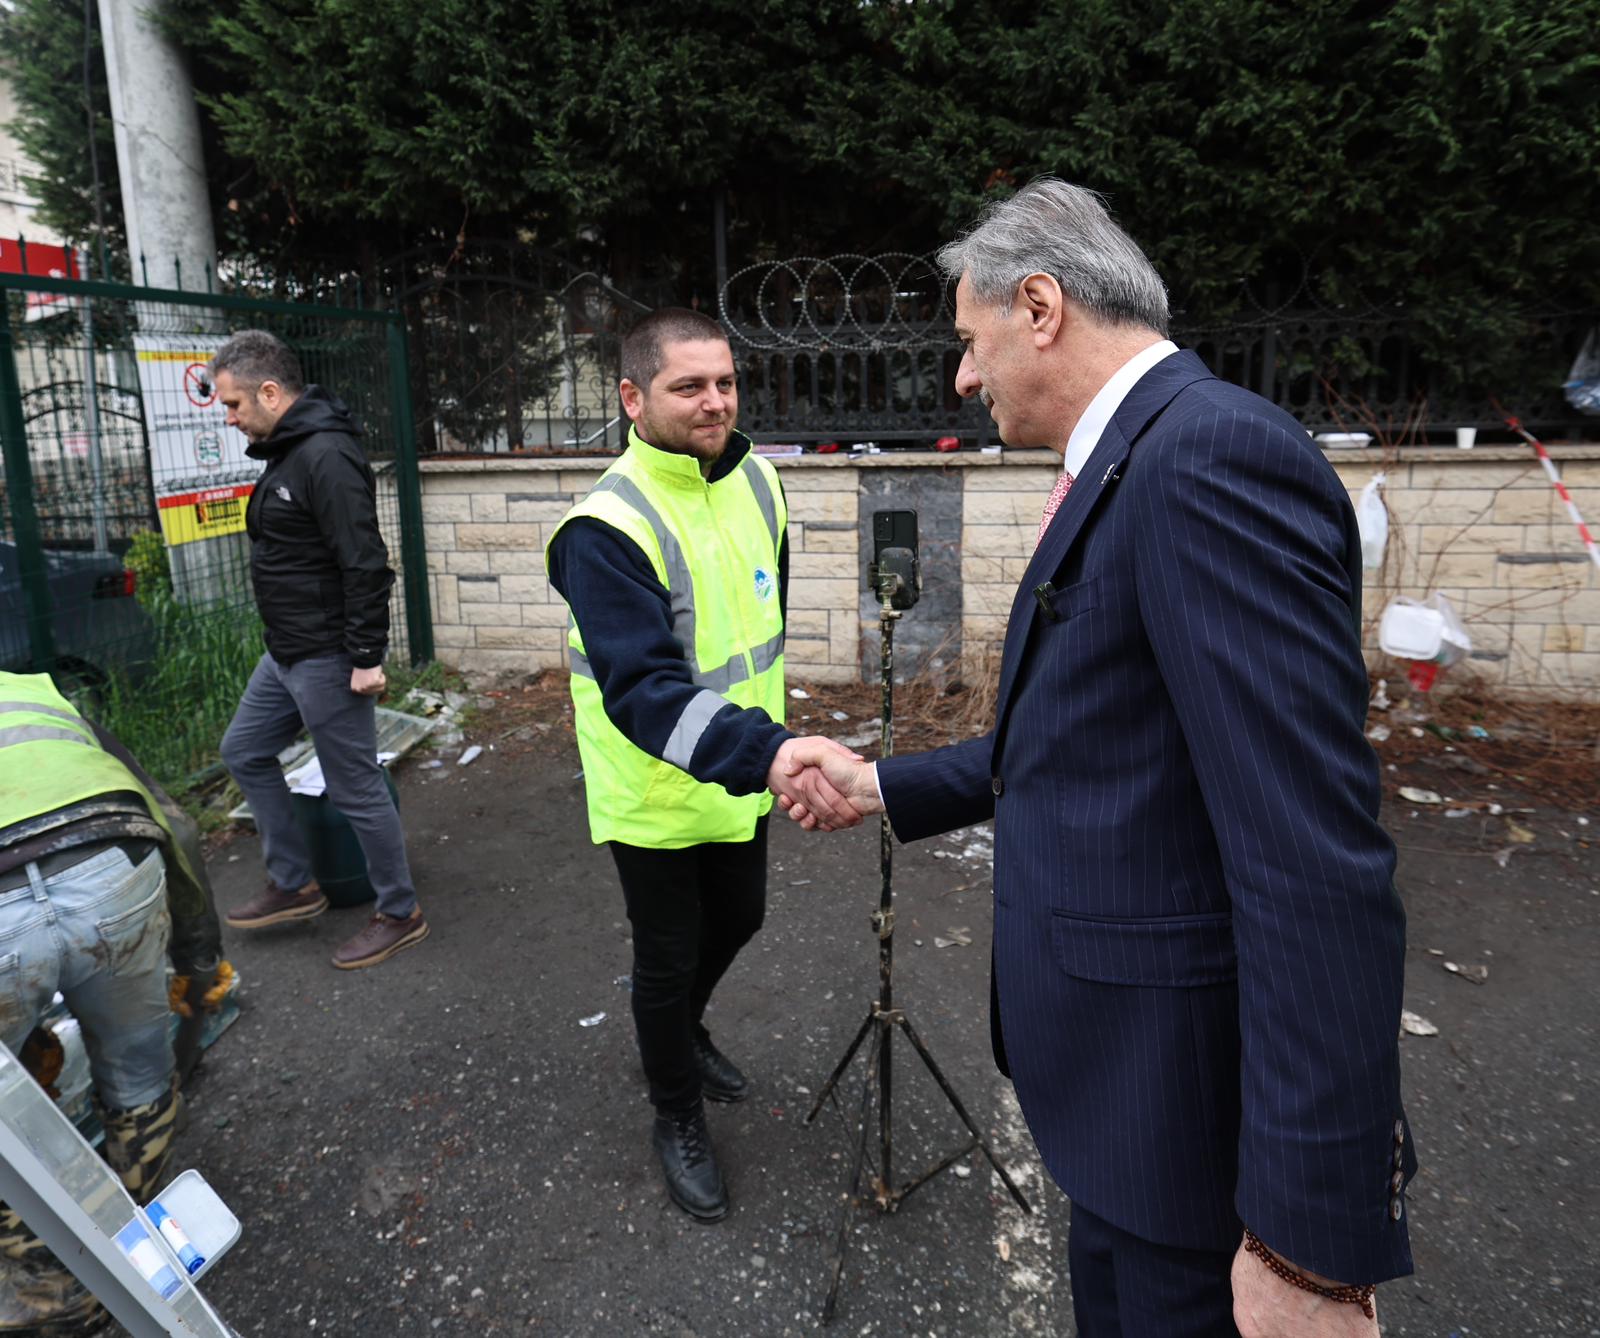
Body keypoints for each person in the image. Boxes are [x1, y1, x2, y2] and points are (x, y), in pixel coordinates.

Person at [779, 179, 1415, 1336]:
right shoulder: (1133, 455)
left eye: (968, 345)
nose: (961, 381)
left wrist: (1310, 1244)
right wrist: (880, 782)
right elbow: (1088, 736)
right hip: (1123, 1124)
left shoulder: (1205, 457)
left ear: (1039, 306)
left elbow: (1311, 867)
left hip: (1189, 1151)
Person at [545, 308, 858, 1223]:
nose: (715, 401)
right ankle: (674, 1109)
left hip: (743, 770)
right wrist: (767, 752)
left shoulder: (761, 480)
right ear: (633, 398)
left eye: (724, 381)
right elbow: (642, 691)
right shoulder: (601, 528)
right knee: (667, 953)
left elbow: (760, 625)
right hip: (653, 784)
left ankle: (680, 1032)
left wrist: (766, 749)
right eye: (690, 386)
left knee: (744, 915)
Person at [0, 671, 217, 1333]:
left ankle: (54, 1295)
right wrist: (198, 960)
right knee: (140, 1076)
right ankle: (132, 1248)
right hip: (113, 867)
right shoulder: (31, 689)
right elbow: (174, 827)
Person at [212, 330, 428, 971]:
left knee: (354, 785)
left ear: (270, 392)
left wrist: (366, 657)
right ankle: (296, 882)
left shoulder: (325, 456)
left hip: (329, 655)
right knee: (244, 749)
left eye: (233, 405)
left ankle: (399, 910)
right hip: (286, 652)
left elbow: (365, 562)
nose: (229, 418)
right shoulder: (286, 450)